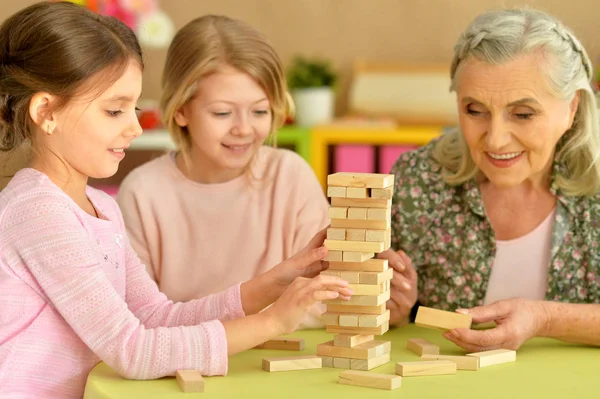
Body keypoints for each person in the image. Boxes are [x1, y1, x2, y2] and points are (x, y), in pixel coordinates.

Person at [0, 3, 351, 398]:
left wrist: (275, 283)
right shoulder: (37, 214)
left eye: (132, 108)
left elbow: (157, 318)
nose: (134, 127)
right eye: (114, 111)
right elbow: (132, 350)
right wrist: (273, 324)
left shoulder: (101, 208)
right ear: (46, 111)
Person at [380, 8, 600, 351]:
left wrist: (545, 318)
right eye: (475, 110)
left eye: (523, 114)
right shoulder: (417, 180)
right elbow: (372, 307)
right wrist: (390, 308)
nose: (495, 139)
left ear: (571, 108)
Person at [116, 15, 329, 327]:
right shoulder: (142, 193)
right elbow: (136, 321)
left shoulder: (290, 176)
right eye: (222, 112)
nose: (243, 129)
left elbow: (323, 303)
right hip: (185, 368)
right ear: (181, 110)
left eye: (259, 111)